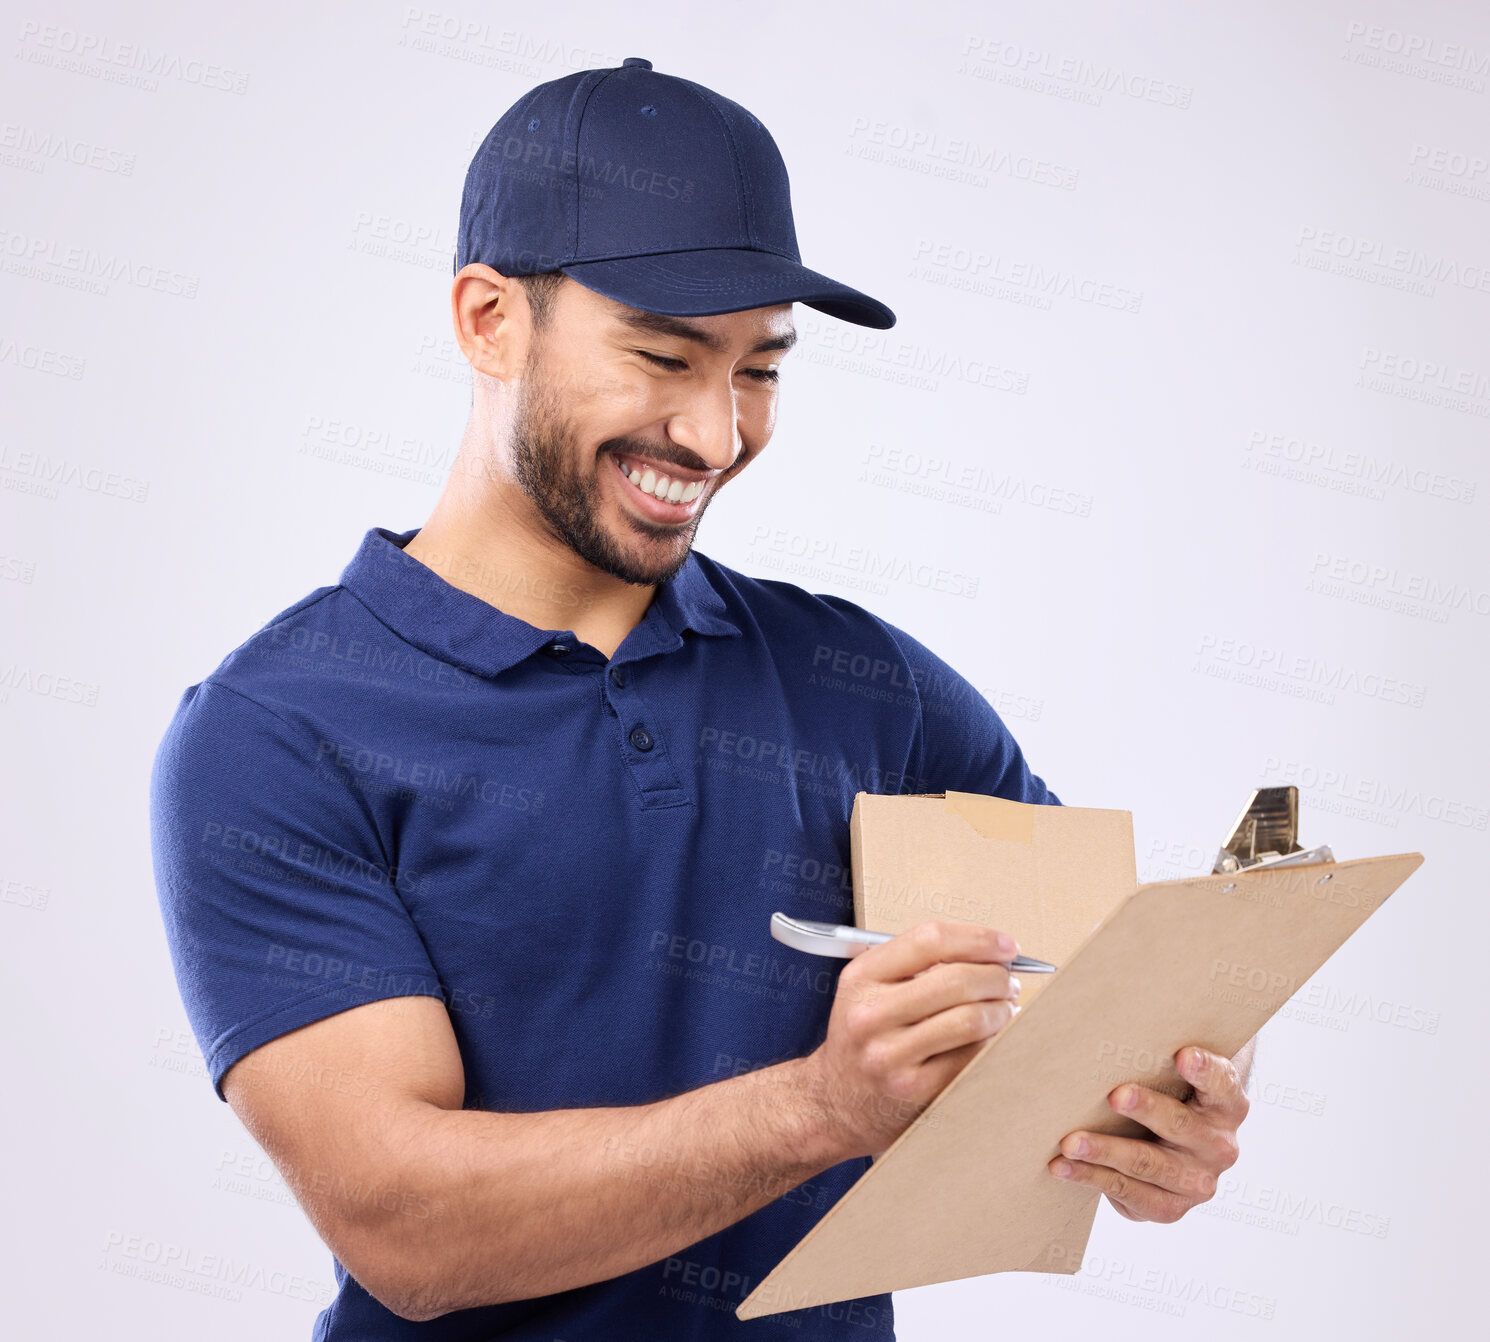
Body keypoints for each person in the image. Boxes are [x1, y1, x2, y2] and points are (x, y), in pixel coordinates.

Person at [149, 57, 1252, 1340]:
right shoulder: (278, 732)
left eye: (759, 369)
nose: (716, 435)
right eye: (663, 355)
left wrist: (1166, 1115)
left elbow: (1112, 985)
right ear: (487, 320)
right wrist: (826, 1105)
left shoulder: (859, 682)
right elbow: (408, 1228)